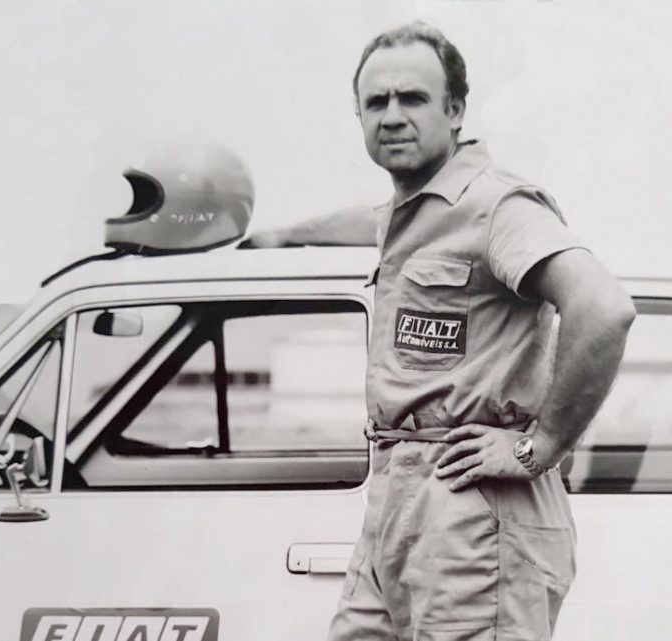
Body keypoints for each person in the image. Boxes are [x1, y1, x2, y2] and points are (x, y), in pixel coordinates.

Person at [243, 22, 636, 641]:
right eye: (376, 102)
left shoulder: (499, 206)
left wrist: (542, 445)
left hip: (476, 514)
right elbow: (375, 221)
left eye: (413, 98)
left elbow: (604, 308)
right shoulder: (416, 212)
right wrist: (286, 236)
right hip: (397, 506)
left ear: (455, 110)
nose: (392, 116)